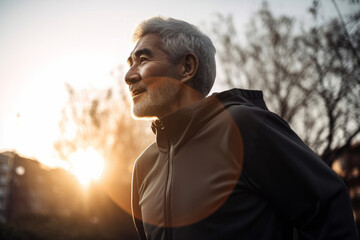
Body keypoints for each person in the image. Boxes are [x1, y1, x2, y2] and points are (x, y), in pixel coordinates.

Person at [125, 16, 358, 240]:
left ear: (187, 67)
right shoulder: (143, 167)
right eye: (130, 63)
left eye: (143, 60)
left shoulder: (246, 127)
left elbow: (327, 205)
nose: (128, 76)